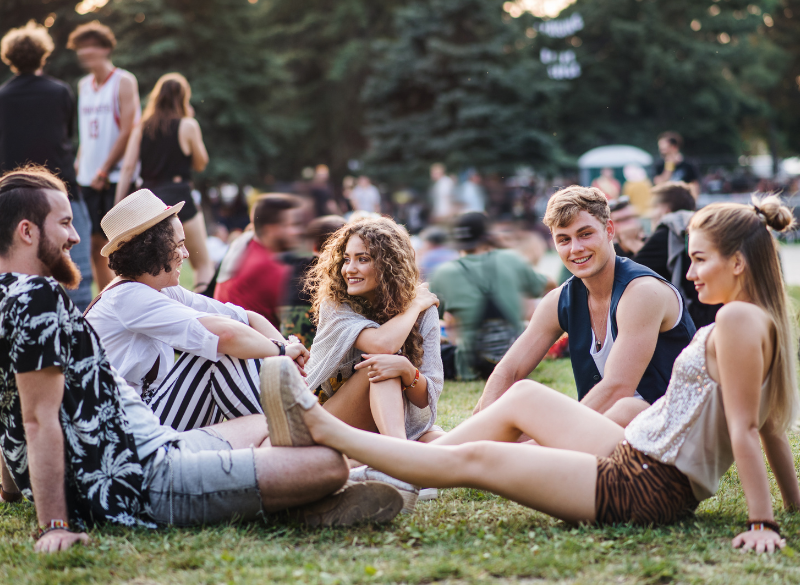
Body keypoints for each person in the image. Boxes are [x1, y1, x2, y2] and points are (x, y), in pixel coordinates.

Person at [262, 195, 800, 554]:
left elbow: (749, 429)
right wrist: (794, 507)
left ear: (738, 263)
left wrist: (763, 522)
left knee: (477, 460)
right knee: (522, 397)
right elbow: (771, 425)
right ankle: (389, 472)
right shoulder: (755, 321)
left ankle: (338, 443)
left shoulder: (723, 317)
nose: (689, 272)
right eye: (563, 239)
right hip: (643, 450)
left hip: (643, 484)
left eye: (701, 260)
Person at [0, 167, 405, 554]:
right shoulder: (46, 297)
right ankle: (354, 472)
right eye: (65, 222)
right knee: (324, 462)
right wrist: (53, 524)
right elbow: (37, 419)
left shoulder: (19, 298)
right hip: (139, 466)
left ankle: (312, 476)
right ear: (27, 231)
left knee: (264, 420)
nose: (74, 236)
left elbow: (13, 411)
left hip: (145, 444)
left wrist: (12, 487)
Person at [85, 188, 306, 431]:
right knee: (215, 354)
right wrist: (282, 350)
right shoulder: (127, 297)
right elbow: (226, 335)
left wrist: (286, 357)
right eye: (179, 245)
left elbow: (248, 318)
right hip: (126, 438)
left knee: (224, 346)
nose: (186, 254)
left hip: (149, 420)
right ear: (152, 249)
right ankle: (291, 432)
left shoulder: (160, 290)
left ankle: (293, 428)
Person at [475, 186, 696, 427]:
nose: (575, 248)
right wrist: (479, 428)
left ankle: (488, 455)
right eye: (564, 239)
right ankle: (460, 452)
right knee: (521, 399)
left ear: (609, 230)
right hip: (600, 429)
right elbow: (508, 371)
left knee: (628, 409)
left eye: (585, 234)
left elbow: (617, 388)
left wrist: (555, 433)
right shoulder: (559, 299)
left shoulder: (642, 291)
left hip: (673, 429)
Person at [304, 217, 444, 442]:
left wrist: (407, 371)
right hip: (324, 416)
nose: (349, 269)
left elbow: (425, 399)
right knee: (381, 362)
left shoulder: (425, 313)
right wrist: (415, 306)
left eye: (363, 259)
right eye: (346, 259)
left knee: (443, 445)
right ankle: (397, 453)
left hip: (389, 421)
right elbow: (382, 344)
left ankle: (382, 457)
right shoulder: (336, 304)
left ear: (390, 264)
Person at [0, 21, 93, 312]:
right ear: (43, 55)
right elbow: (69, 134)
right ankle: (77, 321)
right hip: (61, 189)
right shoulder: (61, 92)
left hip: (14, 195)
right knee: (77, 264)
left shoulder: (2, 96)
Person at [115, 73, 215, 293]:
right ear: (183, 98)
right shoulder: (187, 125)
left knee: (152, 268)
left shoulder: (141, 127)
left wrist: (119, 206)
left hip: (150, 202)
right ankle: (203, 308)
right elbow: (201, 163)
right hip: (180, 196)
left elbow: (128, 168)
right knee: (203, 264)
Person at [430, 212, 549, 381]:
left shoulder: (444, 273)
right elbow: (549, 286)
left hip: (468, 368)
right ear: (488, 236)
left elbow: (433, 315)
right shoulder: (511, 259)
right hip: (518, 364)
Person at [68, 21, 140, 292]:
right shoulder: (84, 85)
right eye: (80, 47)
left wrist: (104, 168)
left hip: (113, 176)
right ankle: (105, 300)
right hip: (86, 177)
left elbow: (128, 130)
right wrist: (77, 167)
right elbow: (84, 135)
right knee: (94, 246)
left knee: (119, 244)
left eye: (90, 46)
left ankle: (125, 296)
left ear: (106, 48)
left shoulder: (123, 81)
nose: (85, 52)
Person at [616, 183, 721, 329]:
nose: (650, 214)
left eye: (653, 207)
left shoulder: (669, 229)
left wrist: (629, 243)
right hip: (714, 307)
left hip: (693, 316)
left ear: (664, 209)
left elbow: (631, 275)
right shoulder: (697, 227)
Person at [214, 193, 304, 328]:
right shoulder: (270, 268)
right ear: (270, 229)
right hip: (253, 346)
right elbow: (294, 325)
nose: (297, 232)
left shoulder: (242, 244)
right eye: (290, 225)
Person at [278, 214, 347, 348]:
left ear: (314, 247)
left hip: (290, 329)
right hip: (308, 322)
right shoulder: (335, 270)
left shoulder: (297, 263)